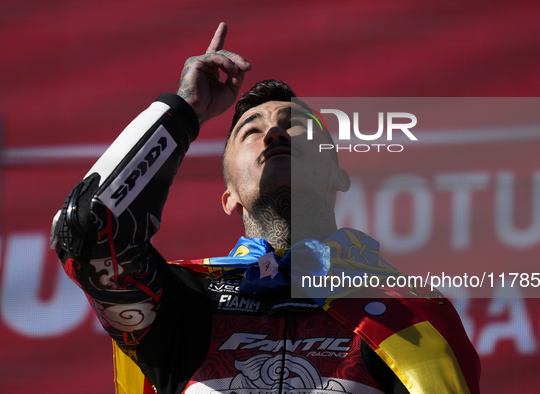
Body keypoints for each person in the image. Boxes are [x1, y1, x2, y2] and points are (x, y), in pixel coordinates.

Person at [50, 23, 480, 394]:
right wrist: (183, 111)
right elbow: (87, 231)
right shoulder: (182, 301)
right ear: (228, 195)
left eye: (295, 125)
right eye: (250, 131)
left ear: (338, 176)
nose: (274, 134)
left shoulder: (413, 310)